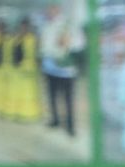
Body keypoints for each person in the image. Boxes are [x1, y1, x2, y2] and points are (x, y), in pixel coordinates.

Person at [41, 3, 81, 135]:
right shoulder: (47, 26)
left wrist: (68, 42)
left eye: (52, 10)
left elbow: (79, 44)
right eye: (49, 10)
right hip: (50, 67)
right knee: (51, 95)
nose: (50, 13)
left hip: (65, 69)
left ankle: (70, 125)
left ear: (58, 10)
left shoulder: (68, 24)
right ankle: (55, 119)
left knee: (67, 98)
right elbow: (44, 47)